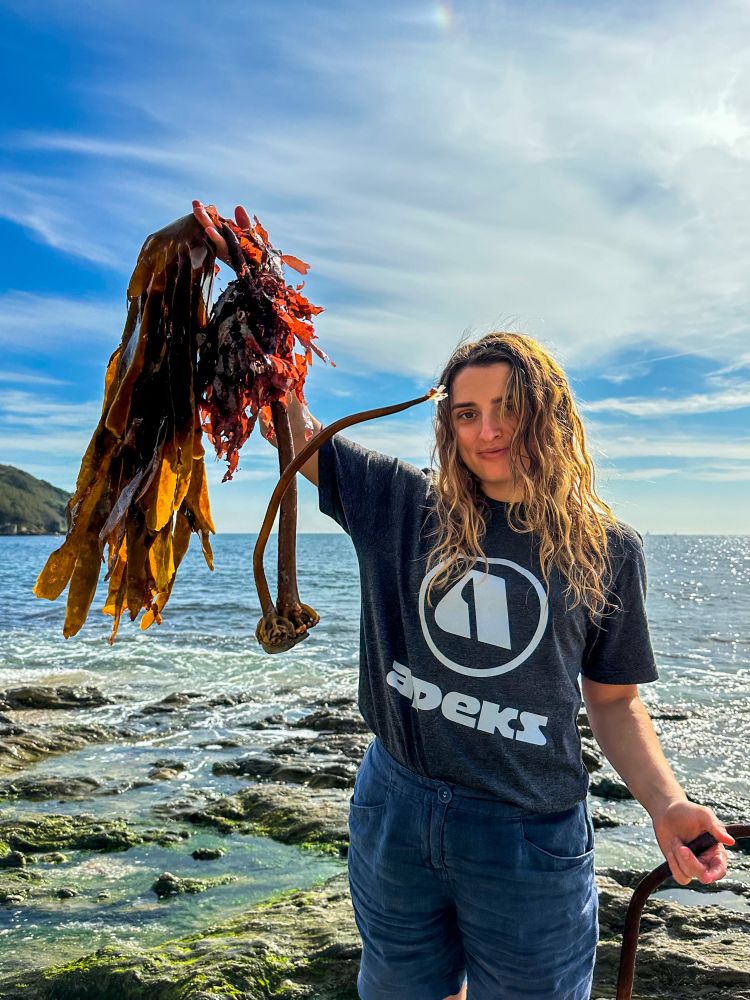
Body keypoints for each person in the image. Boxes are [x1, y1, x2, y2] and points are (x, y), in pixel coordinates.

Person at [194, 202, 734, 1000]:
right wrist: (247, 286)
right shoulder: (399, 504)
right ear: (447, 424)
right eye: (468, 413)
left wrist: (666, 801)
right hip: (395, 810)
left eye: (509, 408)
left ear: (548, 413)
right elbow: (291, 425)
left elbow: (613, 702)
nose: (489, 431)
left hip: (526, 834)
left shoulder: (607, 548)